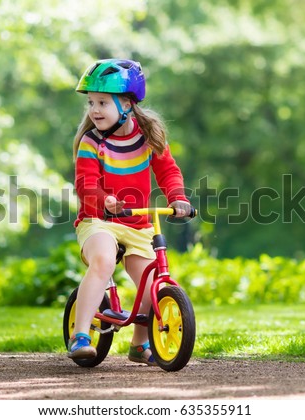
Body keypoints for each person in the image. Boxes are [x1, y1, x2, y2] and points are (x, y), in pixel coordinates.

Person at [69, 58, 191, 365]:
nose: (94, 110)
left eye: (102, 103)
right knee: (103, 260)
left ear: (126, 104)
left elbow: (169, 172)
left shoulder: (148, 137)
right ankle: (80, 335)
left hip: (138, 223)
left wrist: (178, 198)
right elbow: (85, 185)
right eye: (91, 103)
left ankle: (139, 345)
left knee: (153, 284)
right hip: (99, 220)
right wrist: (105, 200)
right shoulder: (91, 142)